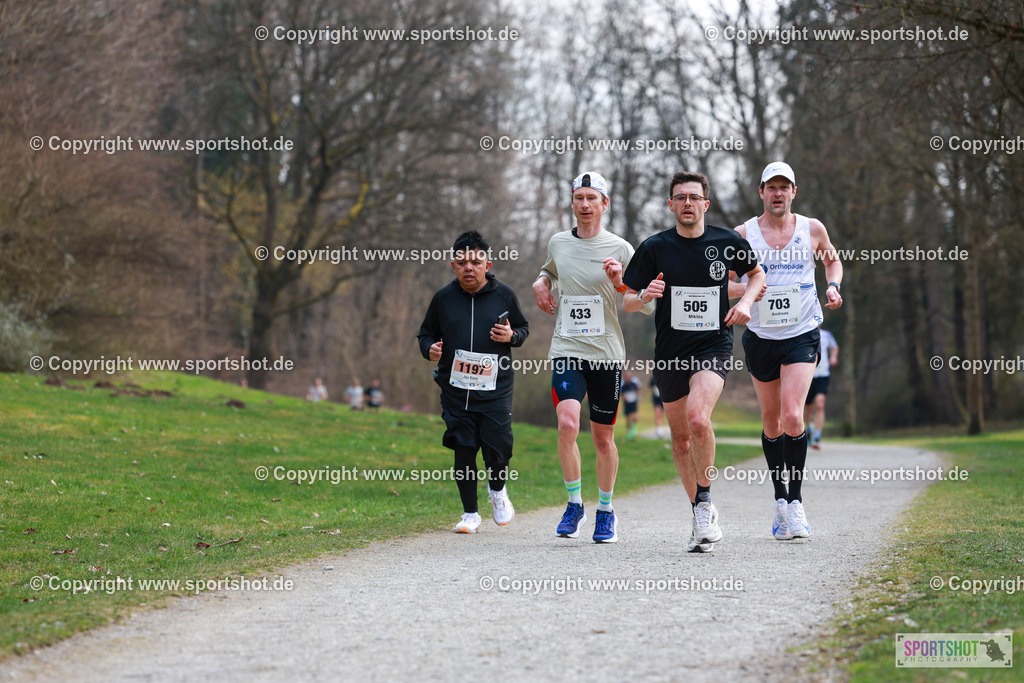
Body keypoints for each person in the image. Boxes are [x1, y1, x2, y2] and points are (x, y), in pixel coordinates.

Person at [622, 171, 765, 553]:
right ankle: (699, 514)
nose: (687, 203)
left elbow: (756, 275)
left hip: (713, 346)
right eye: (680, 197)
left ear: (705, 203)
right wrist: (646, 295)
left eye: (694, 197)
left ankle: (704, 502)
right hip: (669, 354)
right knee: (681, 440)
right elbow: (627, 300)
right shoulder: (654, 247)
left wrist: (747, 303)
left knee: (699, 418)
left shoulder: (727, 242)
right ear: (670, 205)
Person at [532, 171, 654, 543]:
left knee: (603, 438)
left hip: (606, 355)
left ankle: (605, 510)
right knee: (568, 424)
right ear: (572, 202)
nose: (585, 205)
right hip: (568, 350)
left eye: (592, 198)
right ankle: (573, 505)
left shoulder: (621, 248)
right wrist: (541, 281)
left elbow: (640, 304)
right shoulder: (557, 242)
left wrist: (620, 282)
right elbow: (550, 271)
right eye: (579, 197)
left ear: (605, 204)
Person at [733, 161, 843, 541]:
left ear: (794, 192)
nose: (778, 193)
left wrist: (832, 286)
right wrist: (748, 293)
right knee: (771, 423)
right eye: (771, 187)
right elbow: (725, 284)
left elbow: (832, 260)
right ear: (761, 192)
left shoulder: (812, 229)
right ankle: (779, 499)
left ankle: (796, 504)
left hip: (802, 333)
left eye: (785, 187)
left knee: (794, 417)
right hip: (761, 336)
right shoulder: (743, 234)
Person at [418, 230, 529, 534]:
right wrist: (429, 348)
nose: (469, 267)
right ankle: (470, 515)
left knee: (498, 445)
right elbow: (425, 333)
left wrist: (513, 336)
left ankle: (497, 489)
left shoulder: (504, 295)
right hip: (456, 390)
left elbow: (522, 328)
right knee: (464, 448)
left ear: (487, 264)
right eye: (462, 262)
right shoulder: (443, 299)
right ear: (453, 265)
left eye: (475, 262)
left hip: (496, 388)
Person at [804, 329, 839, 449]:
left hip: (823, 375)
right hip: (807, 375)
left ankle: (817, 437)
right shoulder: (803, 331)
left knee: (819, 405)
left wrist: (833, 357)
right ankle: (808, 429)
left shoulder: (827, 335)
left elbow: (834, 347)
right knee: (808, 407)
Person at [621, 371, 642, 440]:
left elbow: (638, 389)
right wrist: (625, 397)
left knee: (635, 416)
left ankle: (633, 427)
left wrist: (639, 397)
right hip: (627, 403)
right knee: (627, 418)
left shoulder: (634, 383)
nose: (628, 378)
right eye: (626, 377)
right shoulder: (622, 384)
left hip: (633, 402)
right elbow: (621, 393)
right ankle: (628, 432)